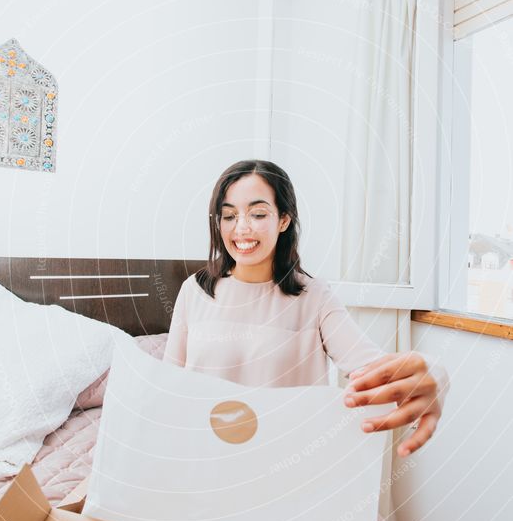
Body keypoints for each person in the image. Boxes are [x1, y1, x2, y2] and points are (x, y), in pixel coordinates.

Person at [164, 158, 449, 457]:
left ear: (284, 220)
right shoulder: (194, 291)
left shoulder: (315, 297)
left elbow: (373, 369)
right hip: (206, 460)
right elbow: (168, 387)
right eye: (229, 216)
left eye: (258, 213)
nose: (242, 228)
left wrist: (434, 372)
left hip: (288, 463)